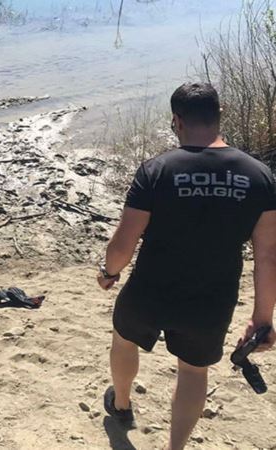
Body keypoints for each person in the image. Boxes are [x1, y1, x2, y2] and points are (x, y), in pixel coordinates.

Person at [97, 82, 276, 450]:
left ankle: (122, 403)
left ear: (176, 121)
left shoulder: (157, 170)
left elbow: (124, 242)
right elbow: (268, 255)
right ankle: (175, 447)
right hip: (211, 299)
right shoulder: (259, 176)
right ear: (220, 113)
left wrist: (110, 273)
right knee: (194, 371)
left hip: (149, 289)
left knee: (124, 339)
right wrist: (262, 318)